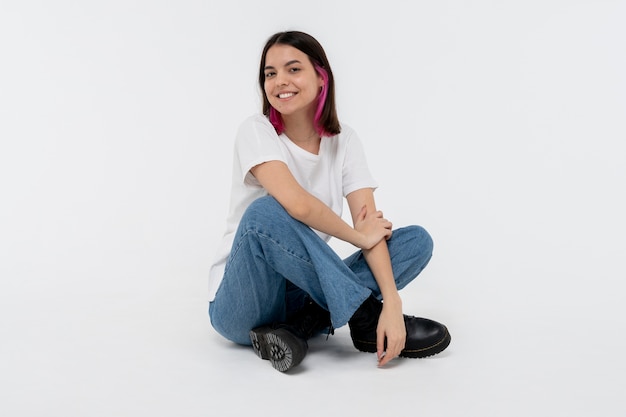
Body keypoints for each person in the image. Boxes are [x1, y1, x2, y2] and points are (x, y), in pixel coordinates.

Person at [208, 30, 451, 372]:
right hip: (242, 303)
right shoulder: (256, 131)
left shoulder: (344, 141)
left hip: (302, 293)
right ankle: (364, 315)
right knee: (263, 213)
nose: (280, 81)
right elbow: (299, 205)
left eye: (293, 69)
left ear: (321, 78)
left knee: (415, 242)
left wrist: (393, 302)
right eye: (270, 73)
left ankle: (299, 328)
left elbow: (368, 222)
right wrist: (358, 238)